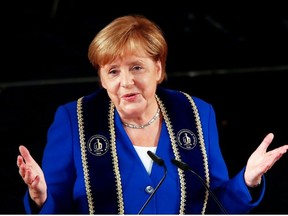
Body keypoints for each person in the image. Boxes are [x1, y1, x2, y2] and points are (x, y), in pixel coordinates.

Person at [16, 14, 288, 214]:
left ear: (158, 69)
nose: (126, 81)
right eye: (113, 71)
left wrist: (247, 180)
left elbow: (216, 206)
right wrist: (39, 196)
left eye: (136, 67)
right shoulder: (74, 120)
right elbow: (57, 209)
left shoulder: (196, 114)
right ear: (101, 79)